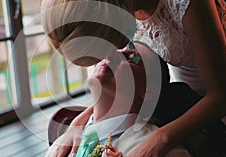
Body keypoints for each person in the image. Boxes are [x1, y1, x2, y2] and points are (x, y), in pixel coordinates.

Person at [41, 0, 226, 156]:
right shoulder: (119, 1)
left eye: (106, 49)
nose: (113, 54)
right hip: (181, 100)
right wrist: (79, 122)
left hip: (221, 109)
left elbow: (223, 96)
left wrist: (160, 140)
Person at [46, 45, 192, 157]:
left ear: (149, 91)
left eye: (131, 58)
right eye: (116, 48)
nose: (112, 52)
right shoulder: (62, 145)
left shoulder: (164, 152)